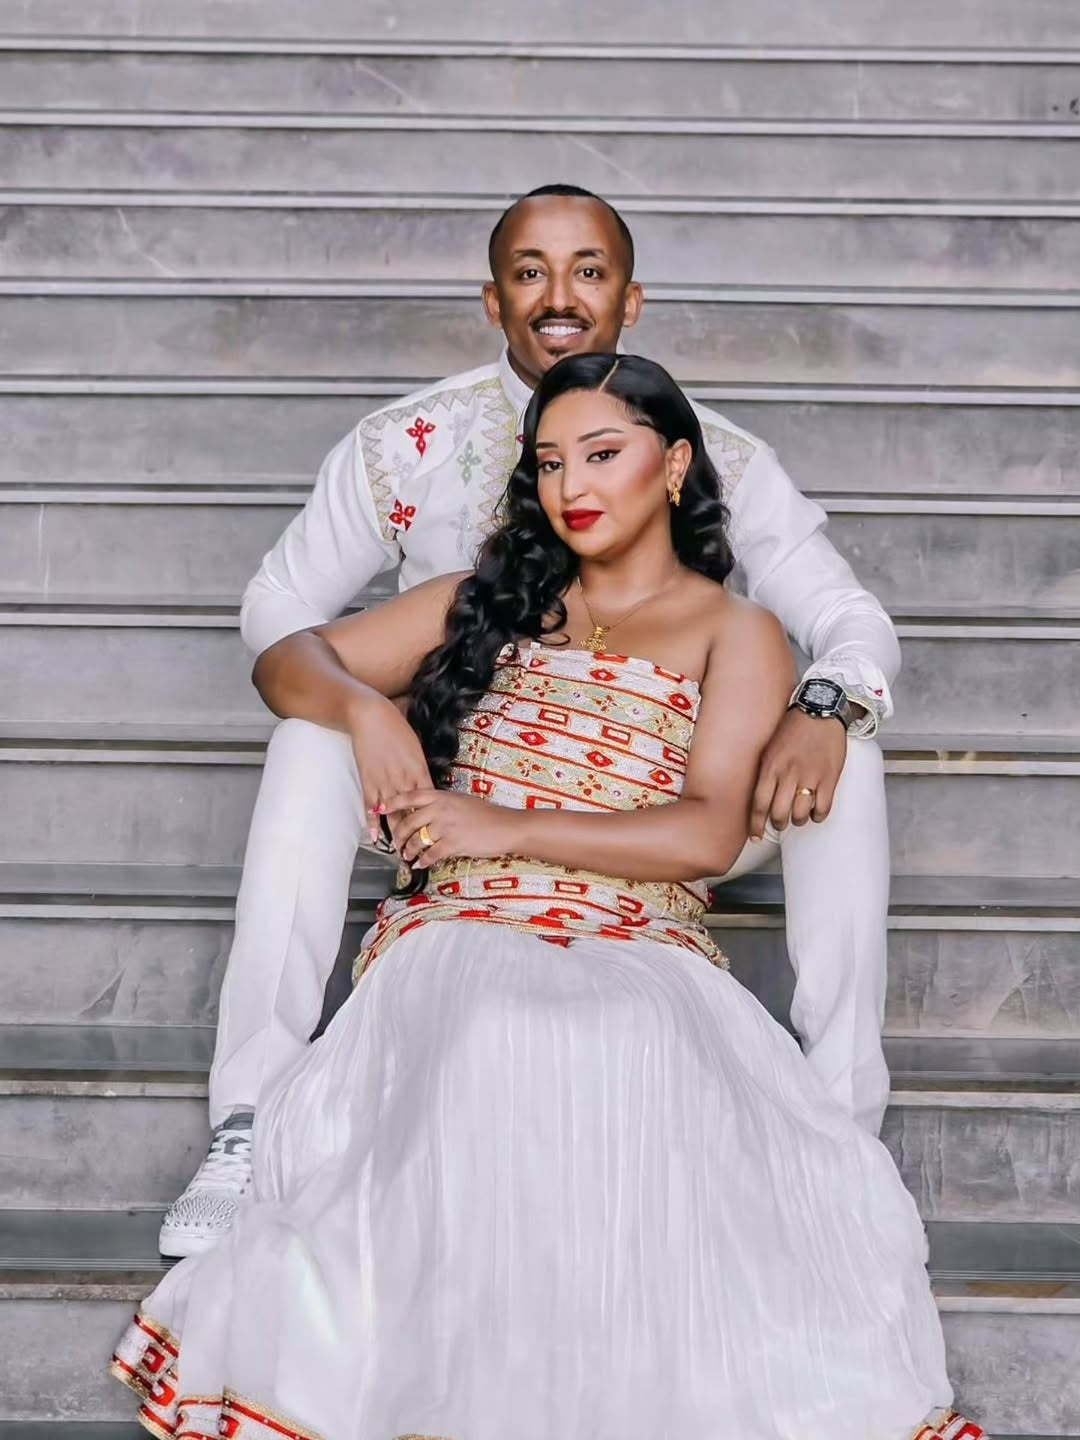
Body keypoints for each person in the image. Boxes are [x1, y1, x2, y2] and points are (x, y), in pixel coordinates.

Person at [114, 355, 980, 1440]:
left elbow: (712, 828)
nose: (573, 484)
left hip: (638, 927)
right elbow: (288, 662)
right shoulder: (488, 603)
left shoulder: (735, 629)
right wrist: (372, 714)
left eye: (604, 456)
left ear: (672, 468)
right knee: (494, 1026)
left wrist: (506, 823)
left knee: (621, 1036)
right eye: (551, 461)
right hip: (466, 922)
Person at [159, 184, 899, 1259]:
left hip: (677, 781)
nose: (560, 296)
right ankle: (250, 1114)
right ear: (493, 297)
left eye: (589, 270)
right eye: (531, 272)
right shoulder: (408, 441)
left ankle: (840, 1131)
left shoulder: (718, 457)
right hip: (453, 772)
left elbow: (846, 618)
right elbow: (279, 615)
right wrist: (369, 713)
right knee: (307, 735)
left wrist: (827, 708)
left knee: (850, 760)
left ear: (630, 297)